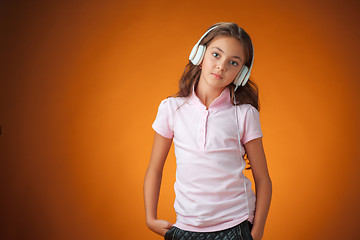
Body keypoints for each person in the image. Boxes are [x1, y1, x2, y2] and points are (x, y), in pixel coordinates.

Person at [144, 22, 272, 240]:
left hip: (236, 225)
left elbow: (263, 179)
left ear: (241, 74)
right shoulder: (171, 109)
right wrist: (150, 218)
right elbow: (154, 169)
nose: (221, 66)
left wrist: (257, 232)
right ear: (199, 55)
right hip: (187, 227)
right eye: (216, 54)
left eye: (233, 62)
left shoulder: (244, 114)